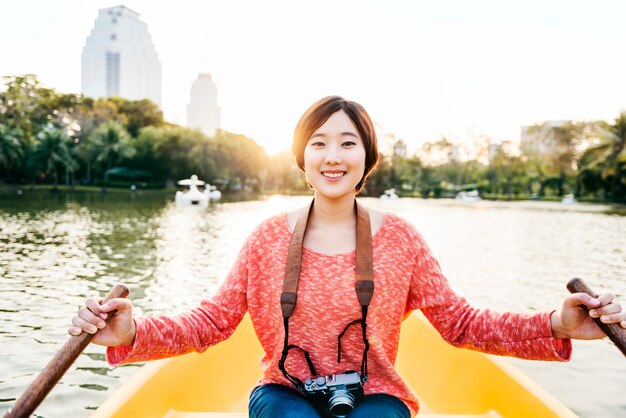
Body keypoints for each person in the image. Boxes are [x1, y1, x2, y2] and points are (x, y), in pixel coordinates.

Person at [69, 96, 626, 418]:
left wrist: (558, 324)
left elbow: (460, 324)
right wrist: (129, 334)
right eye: (318, 143)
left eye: (347, 142)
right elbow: (210, 323)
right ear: (301, 158)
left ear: (367, 158)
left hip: (377, 394)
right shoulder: (266, 238)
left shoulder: (401, 239)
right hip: (284, 390)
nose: (332, 156)